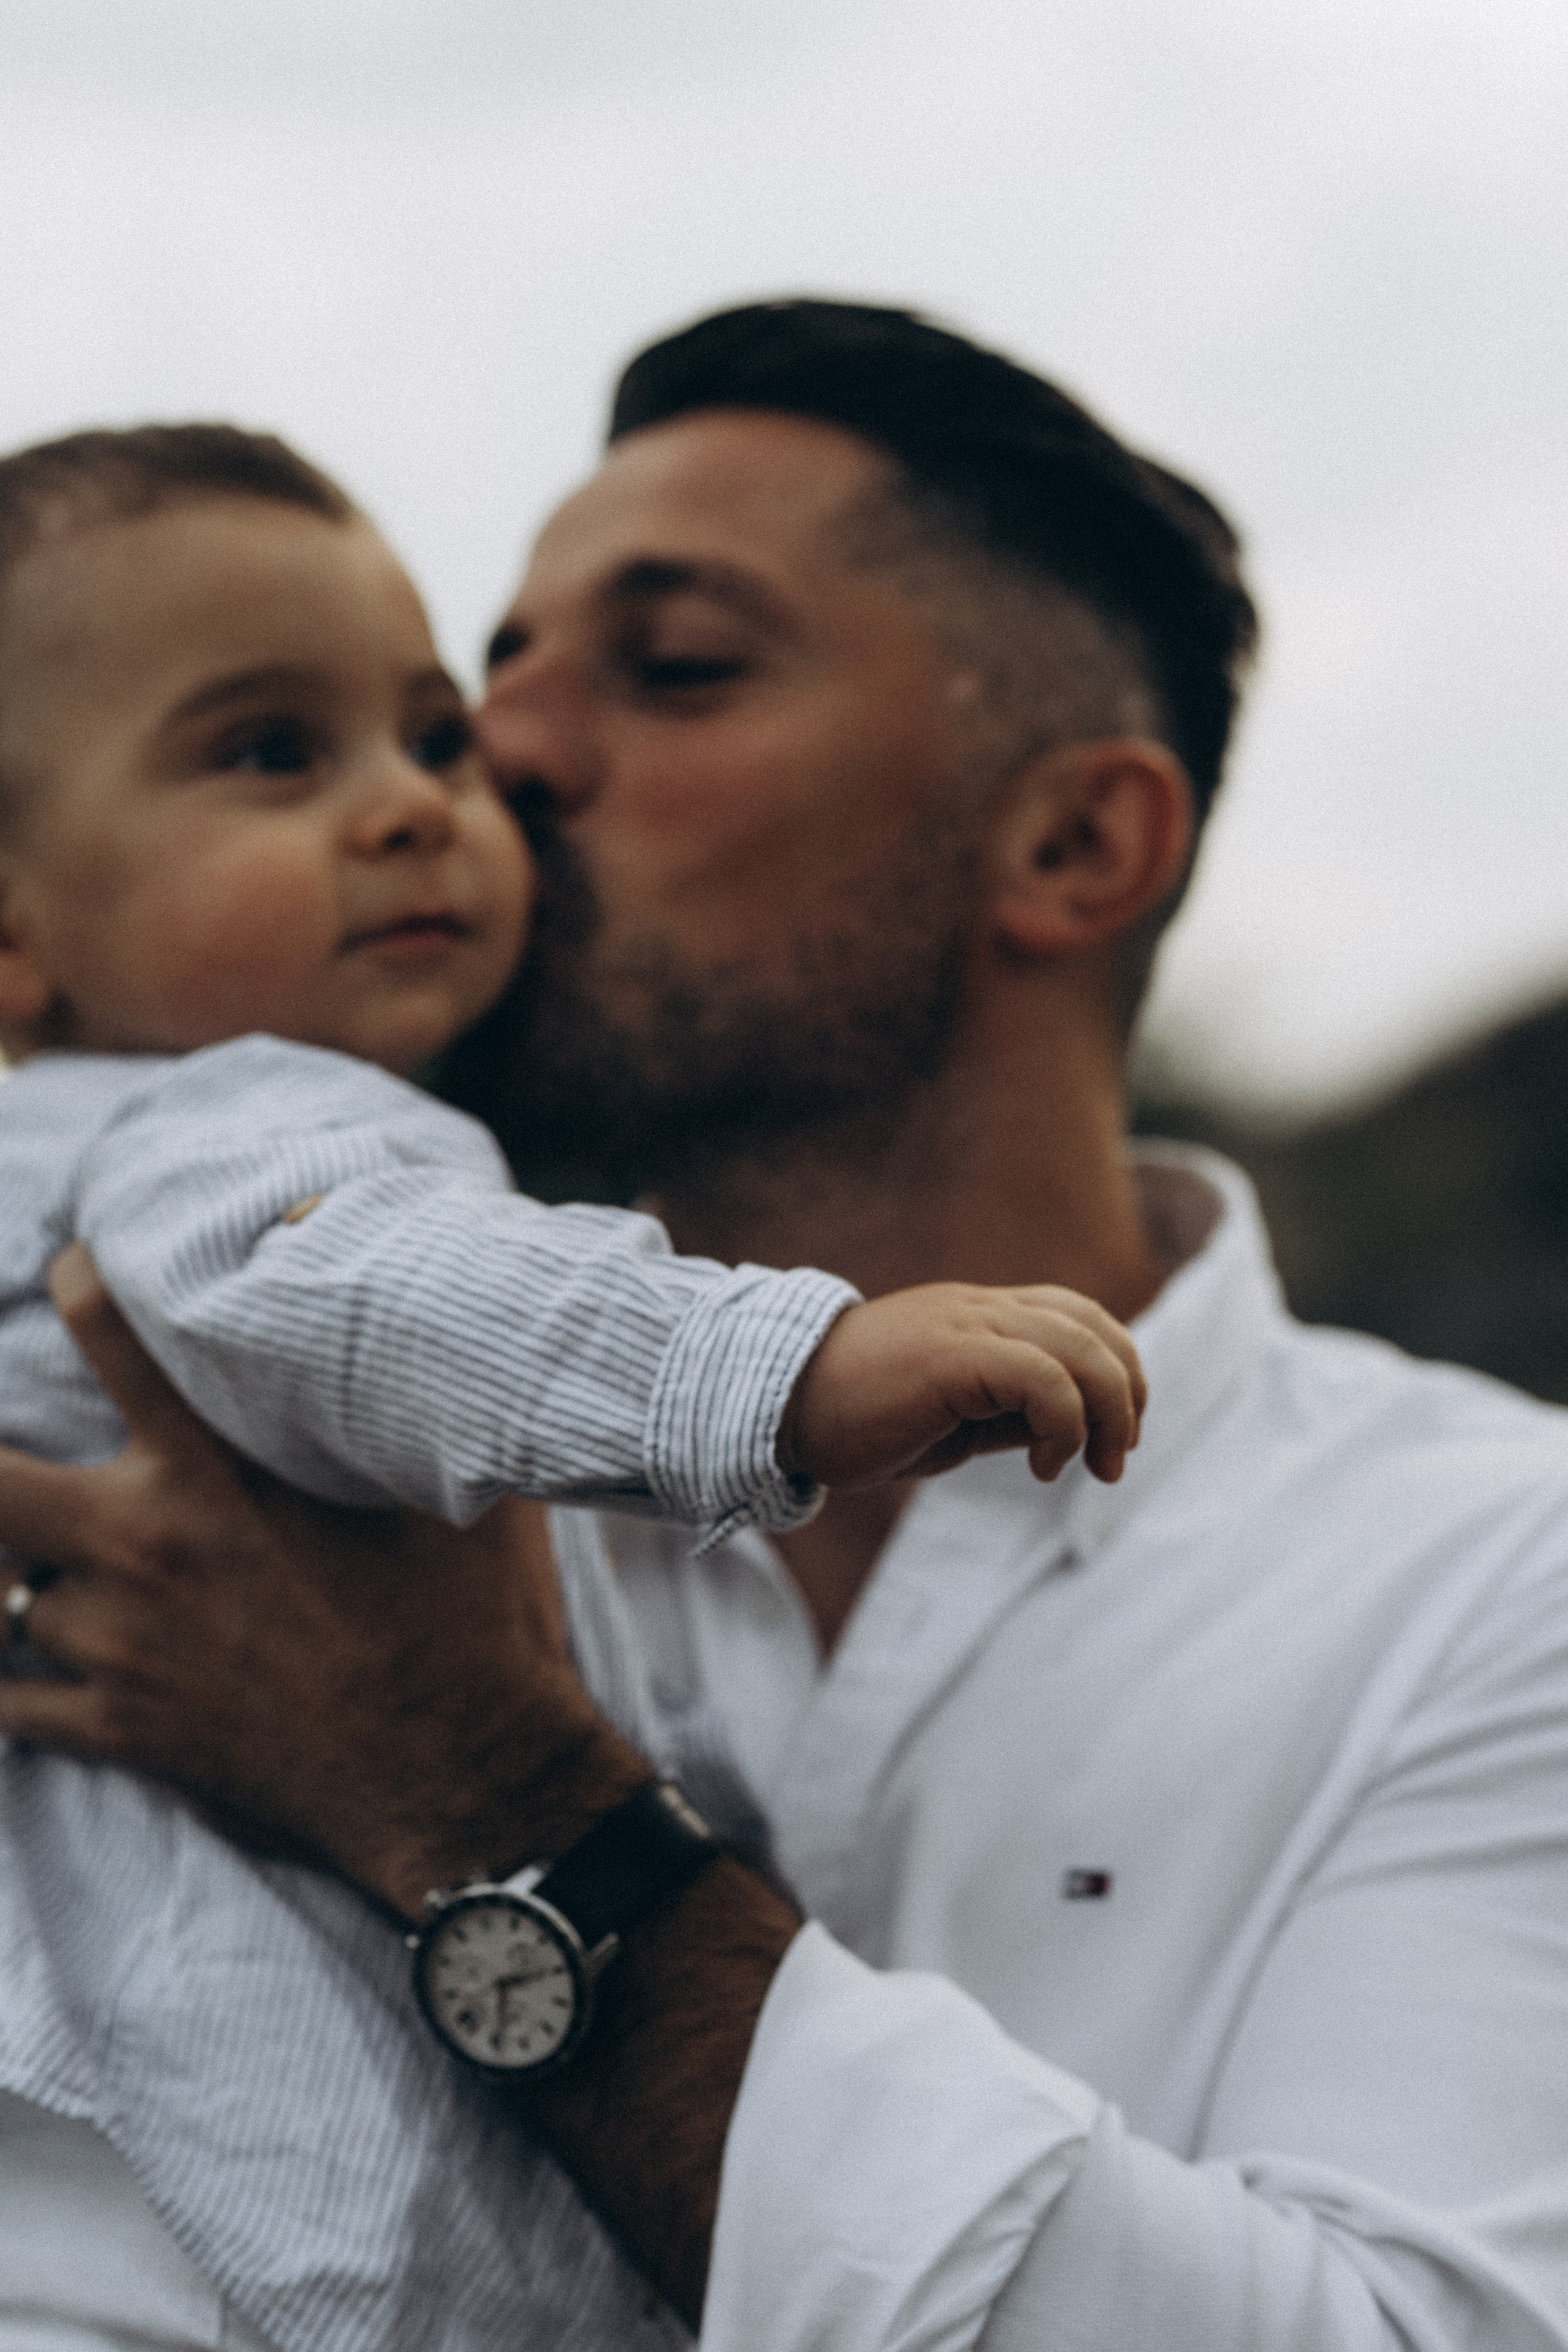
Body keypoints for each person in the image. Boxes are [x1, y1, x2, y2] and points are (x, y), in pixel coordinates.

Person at [6, 299, 1568, 2352]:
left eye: (675, 670)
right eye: (494, 687)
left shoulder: (1493, 1571)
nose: (509, 764)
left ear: (1073, 841)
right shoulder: (268, 1377)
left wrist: (473, 1789)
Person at [0, 417, 1140, 2352]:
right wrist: (788, 1358)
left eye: (426, 738)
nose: (428, 802)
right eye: (271, 752)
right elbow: (369, 1294)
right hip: (188, 2187)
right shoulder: (233, 1133)